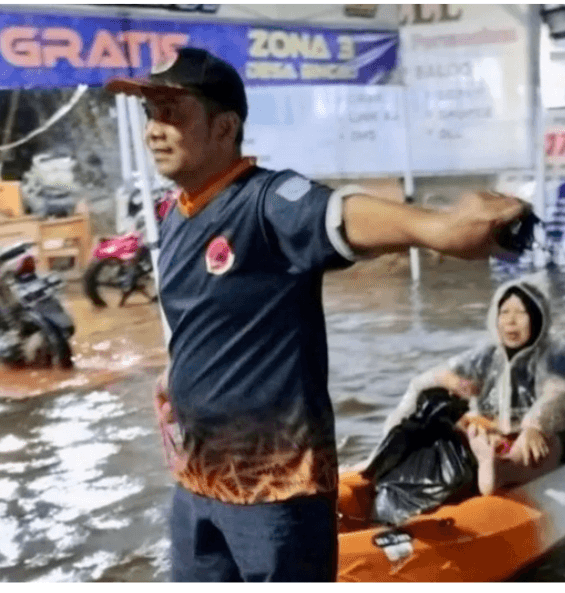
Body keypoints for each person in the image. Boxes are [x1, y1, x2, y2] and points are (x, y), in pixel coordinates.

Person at [105, 47, 529, 582]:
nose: (155, 131)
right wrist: (179, 375)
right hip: (196, 483)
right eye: (151, 114)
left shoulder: (267, 204)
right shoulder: (176, 215)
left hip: (275, 492)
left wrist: (438, 228)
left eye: (174, 112)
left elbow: (341, 214)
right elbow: (207, 318)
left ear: (224, 127)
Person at [381, 278, 565, 496]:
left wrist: (536, 426)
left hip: (538, 435)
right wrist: (454, 381)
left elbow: (561, 394)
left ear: (538, 318)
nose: (511, 321)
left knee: (541, 447)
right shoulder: (488, 355)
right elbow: (431, 378)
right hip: (493, 433)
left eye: (520, 313)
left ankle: (504, 469)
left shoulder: (557, 354)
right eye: (504, 313)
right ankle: (391, 458)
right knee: (445, 414)